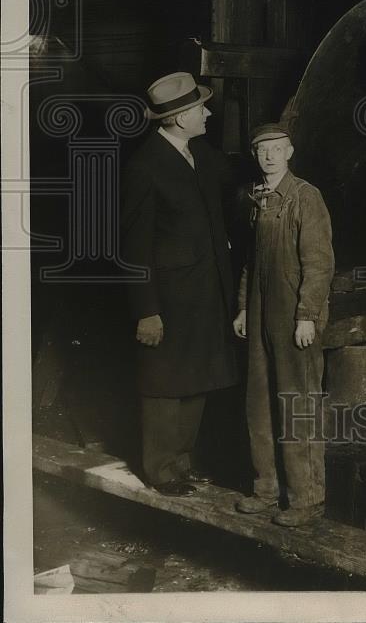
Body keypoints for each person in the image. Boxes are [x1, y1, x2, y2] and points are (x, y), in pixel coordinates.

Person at [121, 72, 237, 496]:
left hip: (206, 292)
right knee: (165, 382)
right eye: (199, 109)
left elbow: (234, 182)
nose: (207, 112)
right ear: (176, 119)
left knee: (198, 376)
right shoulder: (144, 167)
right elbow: (133, 247)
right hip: (167, 300)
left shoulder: (201, 155)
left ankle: (183, 463)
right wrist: (146, 310)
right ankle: (161, 469)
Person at [233, 123, 334, 527]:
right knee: (259, 404)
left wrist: (307, 315)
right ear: (255, 156)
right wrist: (243, 308)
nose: (270, 156)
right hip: (259, 313)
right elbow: (249, 263)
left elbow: (320, 264)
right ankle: (266, 489)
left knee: (298, 405)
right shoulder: (255, 198)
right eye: (262, 150)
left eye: (277, 149)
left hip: (293, 316)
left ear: (290, 151)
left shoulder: (305, 198)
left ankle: (307, 500)